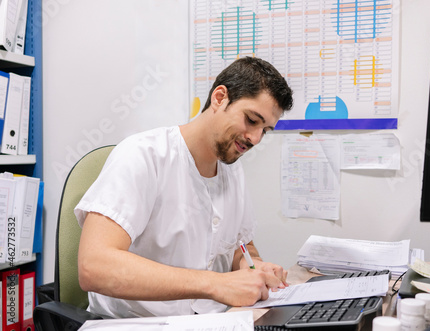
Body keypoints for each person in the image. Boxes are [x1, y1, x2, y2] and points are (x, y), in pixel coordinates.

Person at [75, 56, 294, 318]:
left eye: (265, 130)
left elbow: (240, 247)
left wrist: (256, 267)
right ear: (220, 98)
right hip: (134, 323)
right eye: (251, 120)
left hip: (209, 321)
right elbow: (94, 266)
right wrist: (215, 284)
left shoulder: (232, 169)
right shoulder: (143, 156)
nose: (255, 138)